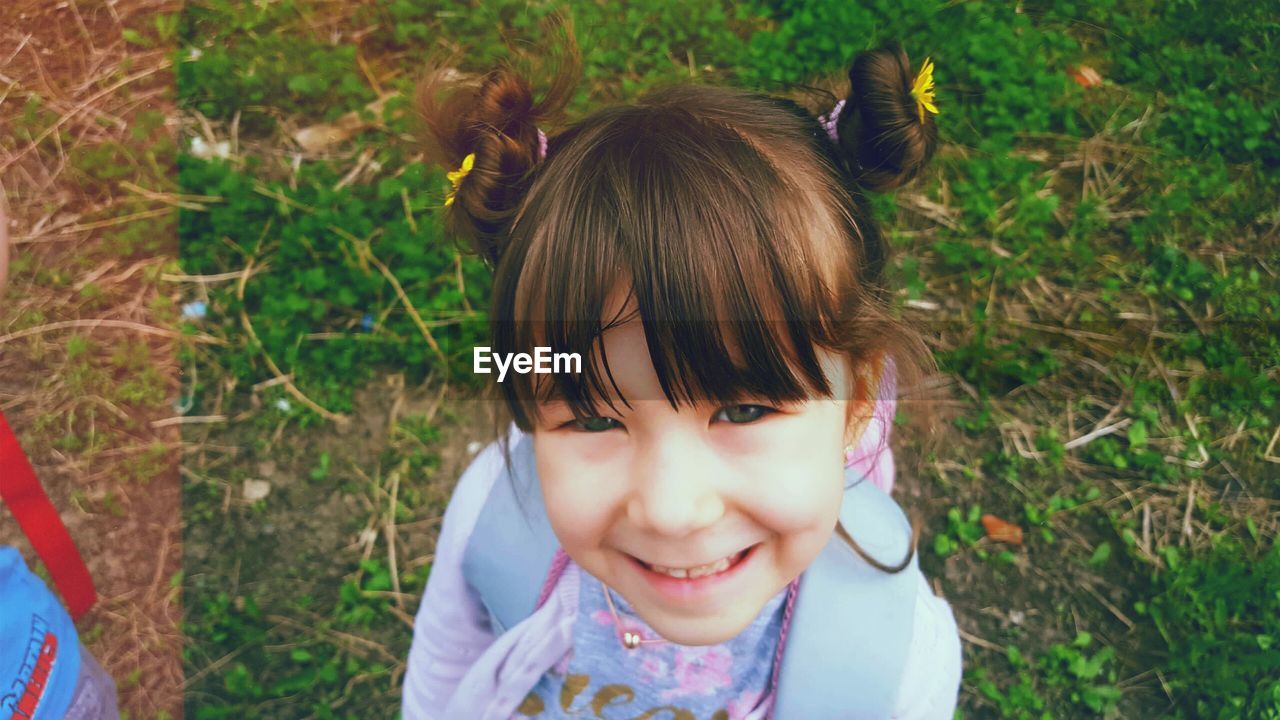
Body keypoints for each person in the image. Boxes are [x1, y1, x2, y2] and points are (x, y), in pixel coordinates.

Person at [402, 28, 960, 719]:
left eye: (745, 410)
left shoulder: (900, 662)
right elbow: (444, 664)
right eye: (595, 418)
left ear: (858, 403)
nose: (670, 510)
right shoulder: (493, 511)